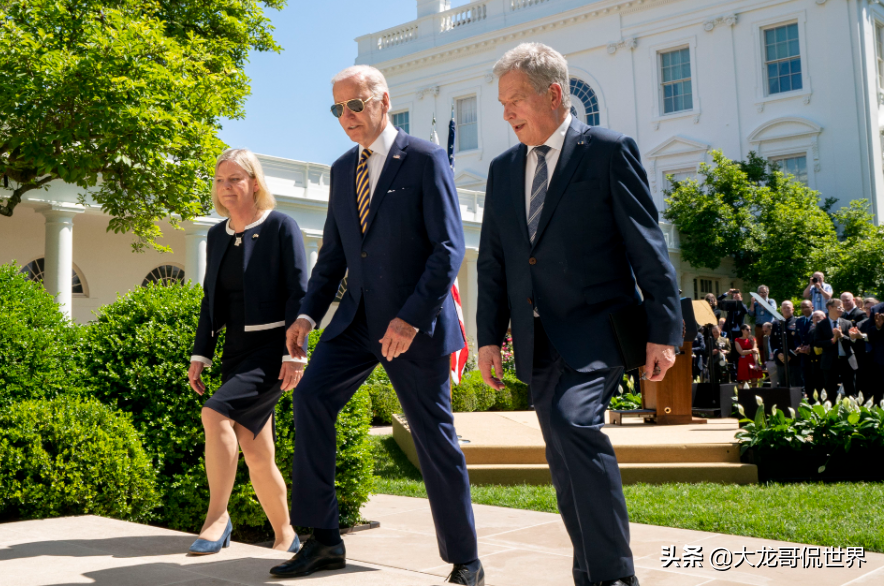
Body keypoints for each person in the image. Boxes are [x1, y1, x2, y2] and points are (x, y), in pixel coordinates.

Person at [476, 43, 682, 586]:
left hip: (598, 329)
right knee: (562, 458)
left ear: (554, 93)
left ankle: (615, 575)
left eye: (516, 100)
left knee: (573, 425)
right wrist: (489, 337)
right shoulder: (501, 170)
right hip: (537, 339)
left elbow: (647, 247)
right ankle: (590, 571)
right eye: (502, 103)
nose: (507, 113)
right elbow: (495, 263)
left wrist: (663, 332)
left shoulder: (608, 152)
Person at [271, 65, 482, 585]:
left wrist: (410, 319)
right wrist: (306, 313)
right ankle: (323, 541)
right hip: (358, 323)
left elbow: (448, 248)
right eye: (338, 108)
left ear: (383, 101)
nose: (347, 117)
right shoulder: (344, 170)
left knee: (434, 436)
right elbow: (336, 254)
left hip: (414, 326)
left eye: (356, 105)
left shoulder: (426, 159)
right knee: (312, 397)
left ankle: (467, 559)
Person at [187, 149, 308, 555]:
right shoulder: (216, 234)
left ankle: (217, 518)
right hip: (235, 351)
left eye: (235, 179)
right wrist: (200, 354)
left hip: (273, 350)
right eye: (221, 181)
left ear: (254, 182)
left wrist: (296, 354)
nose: (226, 188)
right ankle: (286, 534)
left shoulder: (280, 227)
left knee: (214, 412)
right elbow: (209, 300)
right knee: (257, 451)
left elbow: (299, 292)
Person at [814, 298, 858, 396]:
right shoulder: (821, 324)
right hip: (829, 362)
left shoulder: (847, 323)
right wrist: (832, 340)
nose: (841, 309)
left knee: (850, 391)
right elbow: (817, 342)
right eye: (839, 307)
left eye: (842, 308)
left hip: (846, 361)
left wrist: (842, 336)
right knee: (830, 391)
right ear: (830, 307)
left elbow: (853, 341)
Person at [841, 292, 869, 394]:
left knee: (860, 382)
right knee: (848, 382)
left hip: (859, 352)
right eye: (843, 301)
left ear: (853, 300)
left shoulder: (861, 314)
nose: (845, 303)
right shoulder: (842, 315)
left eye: (847, 300)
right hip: (846, 353)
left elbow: (864, 333)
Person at [770, 300, 802, 387]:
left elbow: (800, 341)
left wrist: (790, 354)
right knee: (783, 387)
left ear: (793, 309)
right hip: (781, 361)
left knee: (796, 387)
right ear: (781, 310)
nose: (786, 310)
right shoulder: (776, 323)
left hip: (794, 360)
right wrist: (777, 353)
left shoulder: (798, 322)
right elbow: (772, 341)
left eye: (788, 308)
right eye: (784, 308)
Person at [857, 302, 884, 404]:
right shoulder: (877, 309)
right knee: (879, 393)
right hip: (881, 359)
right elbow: (870, 335)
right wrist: (878, 327)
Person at [749, 286, 776, 362]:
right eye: (761, 292)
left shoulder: (771, 301)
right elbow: (750, 314)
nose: (763, 294)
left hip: (769, 327)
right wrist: (752, 303)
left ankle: (772, 361)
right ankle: (764, 363)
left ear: (768, 293)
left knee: (770, 345)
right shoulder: (755, 304)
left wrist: (763, 304)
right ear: (758, 293)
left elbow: (773, 311)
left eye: (765, 292)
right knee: (760, 346)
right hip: (759, 327)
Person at [796, 300, 815, 393]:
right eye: (802, 307)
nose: (804, 309)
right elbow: (796, 337)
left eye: (806, 307)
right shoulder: (799, 321)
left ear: (812, 307)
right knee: (806, 379)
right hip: (803, 355)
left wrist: (810, 347)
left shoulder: (817, 318)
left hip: (815, 354)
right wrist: (799, 346)